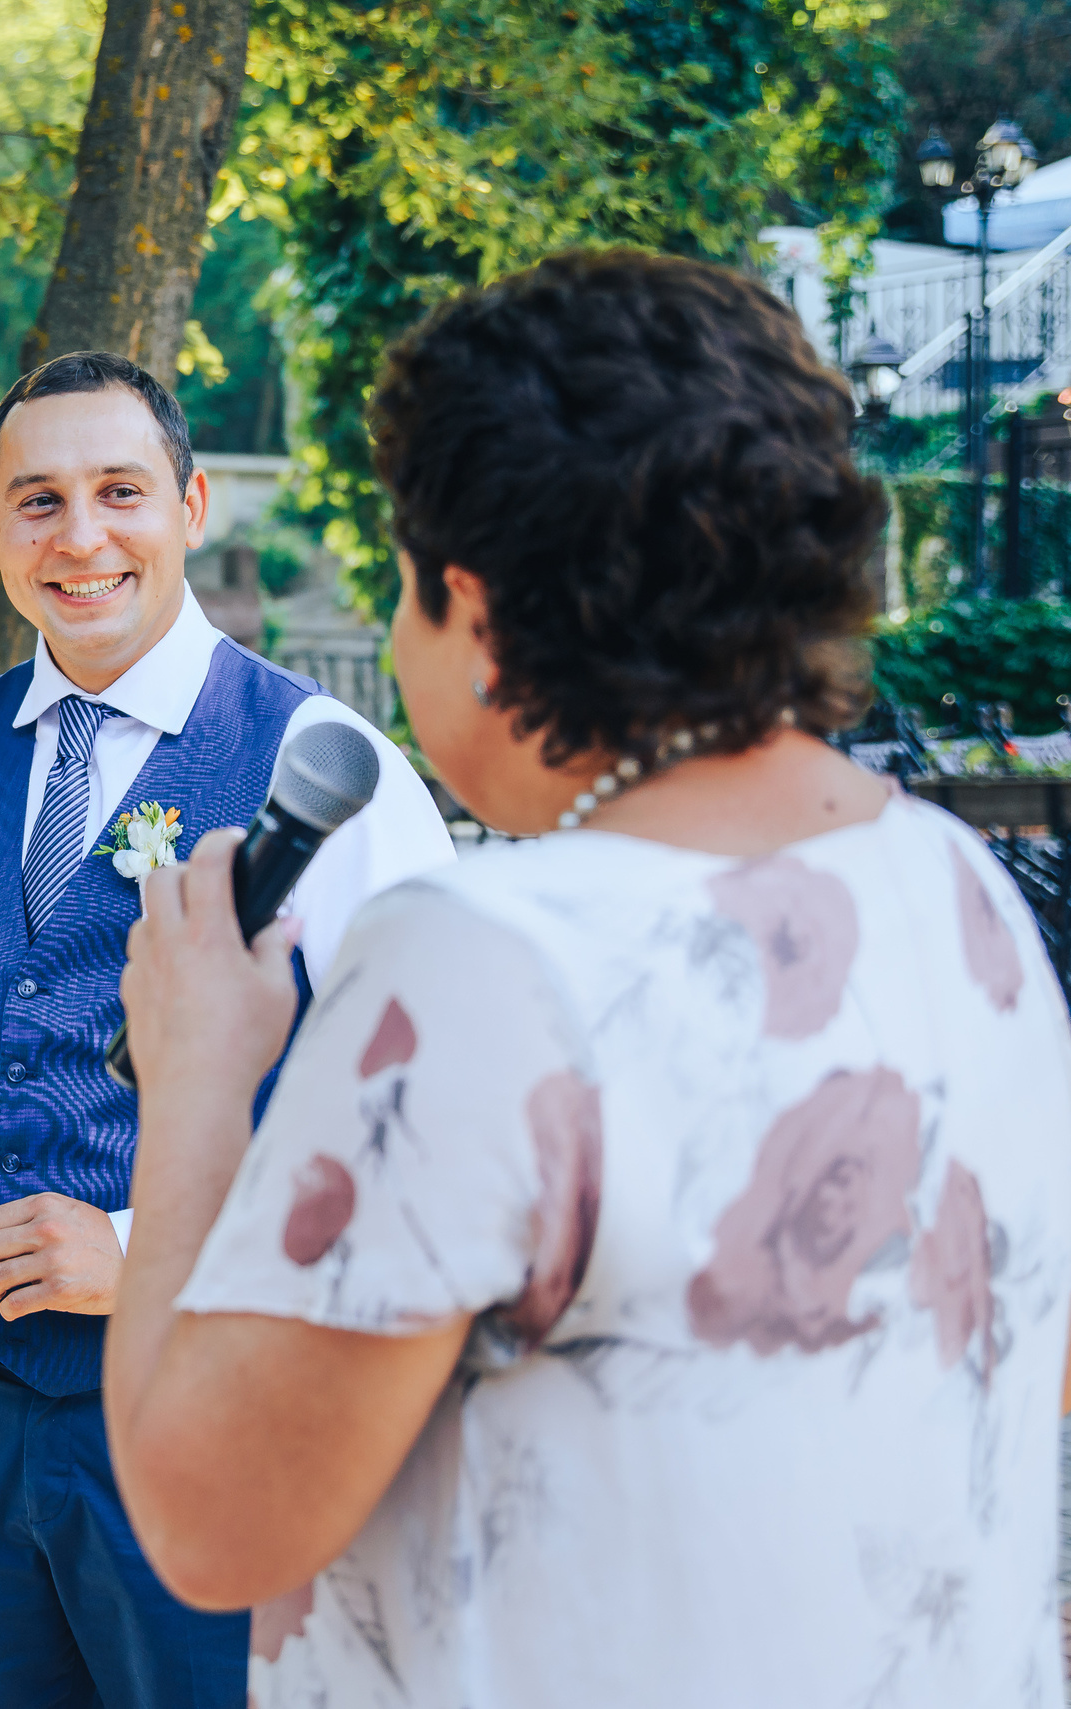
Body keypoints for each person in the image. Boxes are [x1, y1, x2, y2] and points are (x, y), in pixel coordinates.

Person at [106, 248, 1071, 1708]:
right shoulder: (956, 888)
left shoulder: (486, 961)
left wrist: (191, 1080)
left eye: (407, 589)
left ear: (477, 615)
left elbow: (210, 1518)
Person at [0, 352, 455, 1708]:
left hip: (209, 1413)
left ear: (192, 504)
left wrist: (134, 1250)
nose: (82, 535)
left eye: (120, 491)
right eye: (38, 501)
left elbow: (415, 1134)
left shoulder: (327, 767)